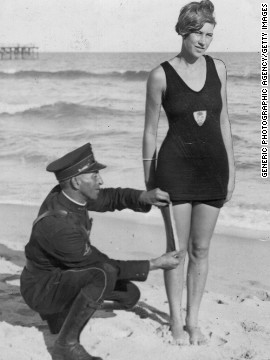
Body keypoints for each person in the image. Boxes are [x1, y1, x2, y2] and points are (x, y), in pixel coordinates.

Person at [20, 143, 180, 360]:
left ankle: (63, 314)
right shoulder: (58, 225)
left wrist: (143, 197)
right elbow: (105, 265)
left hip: (63, 276)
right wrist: (156, 263)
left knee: (130, 295)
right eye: (94, 176)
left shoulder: (70, 195)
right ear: (77, 181)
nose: (101, 181)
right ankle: (65, 345)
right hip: (42, 289)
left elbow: (111, 198)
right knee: (103, 274)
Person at [142, 0, 235, 346]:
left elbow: (225, 121)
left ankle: (194, 320)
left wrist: (233, 172)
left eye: (209, 34)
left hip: (213, 169)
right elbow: (150, 131)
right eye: (199, 32)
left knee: (201, 249)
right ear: (184, 29)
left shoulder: (219, 69)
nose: (204, 40)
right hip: (174, 170)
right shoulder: (159, 75)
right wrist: (149, 179)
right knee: (177, 250)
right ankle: (176, 321)